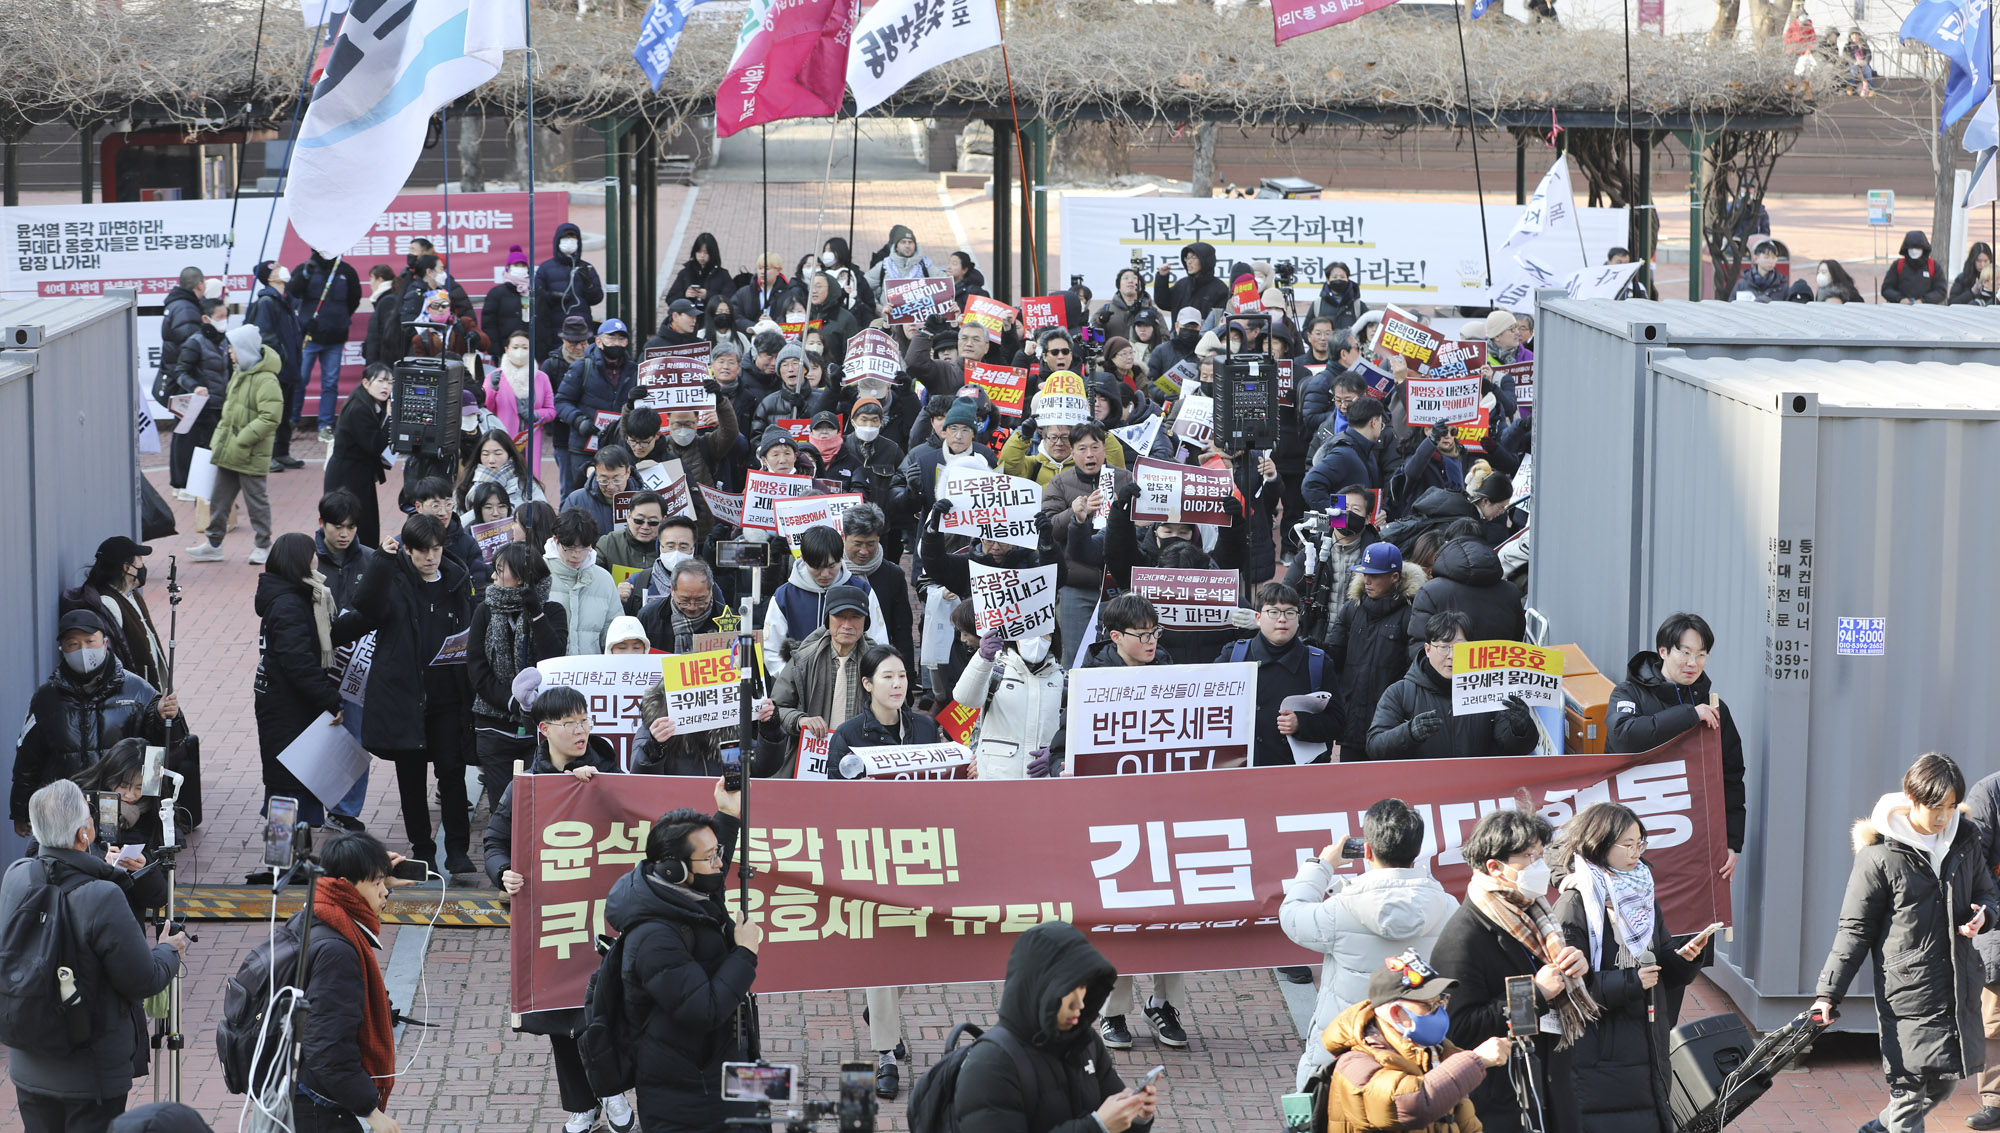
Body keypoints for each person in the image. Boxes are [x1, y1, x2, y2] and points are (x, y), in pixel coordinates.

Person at [1814, 753, 1999, 1133]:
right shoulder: (1879, 855)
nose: (1944, 817)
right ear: (1912, 799)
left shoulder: (1964, 839)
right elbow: (1854, 930)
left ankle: (1875, 1130)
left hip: (1958, 983)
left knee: (1943, 1082)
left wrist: (1985, 915)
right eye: (1936, 808)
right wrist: (1827, 994)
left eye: (1951, 807)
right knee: (1909, 1091)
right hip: (1908, 989)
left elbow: (1986, 891)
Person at [481, 686, 635, 1133]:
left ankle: (612, 1090)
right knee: (561, 1014)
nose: (581, 730)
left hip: (604, 916)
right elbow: (495, 840)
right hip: (554, 919)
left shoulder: (610, 772)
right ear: (545, 729)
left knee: (604, 1011)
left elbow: (637, 821)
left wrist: (597, 788)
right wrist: (503, 872)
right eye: (570, 723)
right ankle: (583, 1104)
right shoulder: (528, 786)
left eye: (585, 720)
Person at [2, 780, 186, 1133]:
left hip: (28, 1058)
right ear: (83, 834)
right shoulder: (102, 895)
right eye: (89, 816)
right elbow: (142, 979)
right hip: (90, 1070)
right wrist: (168, 949)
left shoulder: (17, 876)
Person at [604, 778, 761, 1133]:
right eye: (711, 856)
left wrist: (727, 815)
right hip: (690, 1093)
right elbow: (704, 1009)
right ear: (675, 870)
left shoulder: (687, 894)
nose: (720, 863)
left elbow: (713, 874)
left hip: (725, 1062)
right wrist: (745, 953)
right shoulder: (654, 939)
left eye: (718, 852)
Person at [819, 647, 940, 1097]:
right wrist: (858, 794)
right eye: (887, 676)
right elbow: (831, 799)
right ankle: (886, 1053)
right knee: (882, 953)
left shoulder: (925, 728)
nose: (897, 684)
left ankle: (879, 1011)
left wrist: (965, 772)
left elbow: (943, 782)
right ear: (867, 684)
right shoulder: (849, 735)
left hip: (923, 855)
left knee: (924, 949)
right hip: (871, 858)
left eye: (902, 675)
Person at [1429, 809, 1593, 1133]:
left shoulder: (1533, 913)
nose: (1540, 866)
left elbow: (1559, 986)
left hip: (1551, 1086)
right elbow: (1458, 1029)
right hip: (1504, 1101)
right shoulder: (1465, 937)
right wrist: (1535, 994)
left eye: (1542, 855)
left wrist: (1578, 968)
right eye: (1530, 857)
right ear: (1494, 867)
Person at [1549, 803, 1707, 1133]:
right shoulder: (1574, 903)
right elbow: (1570, 987)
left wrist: (1685, 959)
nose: (1637, 852)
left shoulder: (1641, 891)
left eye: (1640, 843)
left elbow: (1661, 961)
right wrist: (1632, 982)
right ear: (1600, 844)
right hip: (1600, 1052)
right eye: (1628, 844)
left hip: (1647, 1042)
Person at [1281, 798, 1459, 1091]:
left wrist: (1321, 866)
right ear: (1417, 852)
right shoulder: (1448, 906)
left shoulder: (1340, 908)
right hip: (1415, 1050)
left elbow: (1292, 916)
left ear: (1366, 850)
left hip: (1345, 1051)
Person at [340, 513, 476, 876]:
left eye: (436, 549)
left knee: (452, 772)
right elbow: (364, 606)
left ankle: (458, 851)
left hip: (448, 697)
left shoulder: (456, 579)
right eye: (422, 551)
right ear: (408, 550)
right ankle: (423, 850)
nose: (430, 557)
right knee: (411, 779)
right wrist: (381, 561)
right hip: (404, 698)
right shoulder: (393, 579)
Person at [951, 921, 1157, 1133]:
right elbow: (1102, 1125)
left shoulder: (1085, 1041)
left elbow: (1113, 1122)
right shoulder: (990, 1065)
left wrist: (1135, 1117)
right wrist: (1097, 1127)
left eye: (1083, 987)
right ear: (1040, 989)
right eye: (1069, 989)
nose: (1080, 1003)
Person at [276, 830, 409, 1133]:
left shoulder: (315, 910)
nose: (384, 892)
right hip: (317, 1106)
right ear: (347, 886)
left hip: (292, 1085)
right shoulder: (338, 953)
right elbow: (327, 1045)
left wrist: (373, 874)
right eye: (377, 883)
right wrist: (371, 1112)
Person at [1605, 613, 1748, 880]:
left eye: (1701, 655)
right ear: (1663, 652)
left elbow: (1730, 776)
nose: (1693, 663)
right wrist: (1689, 715)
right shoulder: (1628, 693)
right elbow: (1623, 736)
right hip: (1630, 834)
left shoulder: (1715, 708)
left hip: (1690, 841)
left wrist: (1730, 842)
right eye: (1685, 652)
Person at [12, 611, 179, 836]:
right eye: (73, 644)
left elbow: (160, 751)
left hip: (126, 815)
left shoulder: (138, 691)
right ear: (62, 648)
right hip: (67, 815)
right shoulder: (46, 699)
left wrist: (165, 719)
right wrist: (21, 810)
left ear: (105, 642)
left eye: (90, 641)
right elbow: (28, 759)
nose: (83, 650)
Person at [1318, 952, 1507, 1133]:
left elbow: (1465, 1123)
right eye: (1429, 1005)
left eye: (1440, 1002)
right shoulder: (1355, 1063)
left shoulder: (1436, 1052)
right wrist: (1475, 1061)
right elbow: (1413, 1106)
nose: (1439, 1012)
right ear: (1396, 1014)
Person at [251, 534, 345, 828]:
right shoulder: (289, 605)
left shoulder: (289, 598)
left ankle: (291, 853)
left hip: (284, 708)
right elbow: (299, 663)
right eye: (312, 553)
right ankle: (281, 855)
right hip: (288, 711)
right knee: (287, 792)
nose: (316, 559)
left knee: (290, 790)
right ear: (299, 561)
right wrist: (331, 700)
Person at [468, 543, 569, 810]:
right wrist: (513, 701)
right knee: (503, 808)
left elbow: (554, 658)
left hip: (540, 727)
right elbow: (477, 668)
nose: (493, 576)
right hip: (493, 726)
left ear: (522, 578)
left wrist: (537, 614)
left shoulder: (553, 611)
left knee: (538, 808)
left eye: (500, 570)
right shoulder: (485, 610)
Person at [1369, 612, 1537, 761]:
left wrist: (1520, 729)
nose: (1452, 656)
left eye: (1460, 648)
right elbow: (1375, 747)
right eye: (1444, 647)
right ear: (1428, 649)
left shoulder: (1489, 691)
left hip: (1477, 785)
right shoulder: (1400, 693)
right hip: (1421, 785)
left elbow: (1513, 748)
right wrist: (1409, 733)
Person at [186, 326, 283, 564]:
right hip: (230, 451)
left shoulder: (266, 379)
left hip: (250, 452)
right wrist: (220, 442)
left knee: (256, 502)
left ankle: (263, 545)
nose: (229, 352)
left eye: (233, 348)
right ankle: (214, 544)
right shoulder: (240, 372)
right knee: (219, 500)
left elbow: (271, 417)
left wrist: (242, 439)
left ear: (245, 349)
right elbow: (229, 414)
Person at [1218, 583, 1343, 765]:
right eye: (1274, 612)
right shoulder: (1234, 656)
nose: (1282, 619)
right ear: (1258, 618)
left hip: (1297, 773)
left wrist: (1302, 723)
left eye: (1290, 613)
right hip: (1244, 769)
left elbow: (1338, 722)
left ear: (1298, 619)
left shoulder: (1317, 662)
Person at [1323, 543, 1423, 759]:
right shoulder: (1351, 609)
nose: (1367, 580)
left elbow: (1415, 668)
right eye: (1365, 573)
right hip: (1352, 722)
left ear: (1394, 577)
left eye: (1375, 575)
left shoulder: (1411, 614)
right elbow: (1333, 656)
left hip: (1391, 723)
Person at [764, 585, 874, 777]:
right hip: (811, 761)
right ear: (827, 619)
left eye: (855, 617)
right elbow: (776, 708)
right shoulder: (803, 660)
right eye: (839, 616)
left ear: (865, 622)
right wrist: (801, 720)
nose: (847, 625)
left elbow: (896, 711)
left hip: (863, 761)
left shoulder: (878, 663)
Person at [1042, 423, 1130, 658]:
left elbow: (1141, 525)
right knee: (1075, 657)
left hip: (1118, 587)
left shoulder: (1125, 478)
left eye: (1095, 447)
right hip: (1076, 585)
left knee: (1120, 655)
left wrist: (1124, 511)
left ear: (1104, 450)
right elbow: (1048, 528)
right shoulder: (1059, 483)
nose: (1090, 454)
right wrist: (1075, 512)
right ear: (1072, 453)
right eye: (1082, 449)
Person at [761, 526, 891, 676]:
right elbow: (772, 650)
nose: (825, 574)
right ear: (803, 559)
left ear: (841, 557)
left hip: (852, 679)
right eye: (816, 567)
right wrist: (794, 679)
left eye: (831, 566)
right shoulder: (784, 596)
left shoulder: (862, 590)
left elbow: (878, 640)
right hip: (799, 682)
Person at [58, 537, 166, 690]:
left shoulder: (131, 595)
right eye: (140, 560)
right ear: (127, 568)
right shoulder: (108, 603)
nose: (143, 566)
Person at [287, 250, 363, 443]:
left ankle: (325, 425)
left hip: (335, 337)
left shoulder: (346, 271)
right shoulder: (306, 268)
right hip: (309, 336)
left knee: (330, 382)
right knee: (300, 379)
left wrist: (340, 319)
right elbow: (293, 292)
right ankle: (292, 420)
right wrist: (306, 274)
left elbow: (354, 300)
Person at [321, 363, 394, 548]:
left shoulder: (369, 404)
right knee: (352, 523)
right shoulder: (359, 409)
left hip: (358, 473)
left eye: (390, 382)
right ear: (366, 383)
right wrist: (390, 418)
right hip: (346, 477)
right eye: (381, 381)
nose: (386, 387)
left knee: (364, 524)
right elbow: (376, 444)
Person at [1406, 537, 1525, 647]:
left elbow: (1420, 644)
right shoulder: (1511, 591)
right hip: (1498, 662)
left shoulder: (1430, 591)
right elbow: (1517, 640)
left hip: (1447, 662)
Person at [165, 295, 230, 498]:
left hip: (220, 404)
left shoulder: (224, 341)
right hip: (202, 406)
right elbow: (180, 372)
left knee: (214, 448)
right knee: (199, 448)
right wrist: (196, 387)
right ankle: (194, 490)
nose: (224, 321)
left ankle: (208, 490)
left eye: (225, 316)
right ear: (205, 318)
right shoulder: (195, 343)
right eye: (219, 317)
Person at [555, 319, 635, 484]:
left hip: (619, 447)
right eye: (611, 338)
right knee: (582, 491)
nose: (616, 343)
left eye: (621, 338)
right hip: (584, 445)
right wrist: (579, 421)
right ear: (598, 341)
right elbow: (562, 401)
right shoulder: (581, 367)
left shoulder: (634, 370)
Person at [245, 260, 306, 470]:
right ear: (270, 278)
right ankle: (266, 455)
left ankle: (282, 452)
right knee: (271, 414)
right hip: (277, 368)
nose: (283, 269)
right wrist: (281, 357)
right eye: (277, 268)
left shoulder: (286, 300)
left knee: (285, 414)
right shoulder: (267, 302)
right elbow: (265, 336)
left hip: (290, 368)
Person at [546, 508, 622, 656]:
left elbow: (613, 632)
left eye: (584, 548)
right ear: (556, 540)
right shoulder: (539, 574)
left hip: (591, 668)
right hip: (550, 668)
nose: (577, 555)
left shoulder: (604, 579)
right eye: (569, 548)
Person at [485, 328, 558, 478]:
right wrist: (492, 389)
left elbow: (551, 410)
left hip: (530, 440)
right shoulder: (495, 376)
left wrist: (536, 414)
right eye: (515, 347)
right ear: (507, 350)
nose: (520, 351)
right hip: (503, 440)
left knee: (530, 481)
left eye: (525, 348)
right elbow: (486, 408)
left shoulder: (541, 377)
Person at [1303, 397, 1389, 512]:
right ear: (1373, 422)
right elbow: (1310, 484)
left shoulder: (1365, 450)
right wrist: (1338, 515)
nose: (1381, 428)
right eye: (1381, 424)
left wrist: (1381, 510)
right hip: (1346, 524)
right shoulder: (1343, 454)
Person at [533, 222, 604, 359]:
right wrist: (552, 296)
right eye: (565, 237)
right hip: (555, 328)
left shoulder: (587, 268)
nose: (569, 241)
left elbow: (597, 297)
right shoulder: (545, 268)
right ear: (558, 241)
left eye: (573, 237)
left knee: (582, 361)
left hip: (582, 329)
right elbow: (537, 295)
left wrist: (589, 285)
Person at [639, 558, 731, 654]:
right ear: (672, 590)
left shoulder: (727, 619)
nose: (692, 607)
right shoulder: (649, 617)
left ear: (711, 590)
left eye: (700, 601)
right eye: (684, 601)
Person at [596, 490, 665, 613]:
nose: (645, 527)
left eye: (653, 522)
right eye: (639, 520)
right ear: (628, 517)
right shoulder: (609, 543)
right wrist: (613, 594)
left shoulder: (671, 548)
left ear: (664, 520)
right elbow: (592, 584)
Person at [562, 444, 633, 536]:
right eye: (604, 480)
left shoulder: (644, 500)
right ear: (596, 474)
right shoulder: (576, 500)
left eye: (617, 480)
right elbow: (564, 537)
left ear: (628, 473)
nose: (611, 486)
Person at [479, 247, 532, 368]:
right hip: (504, 351)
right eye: (516, 265)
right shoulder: (497, 293)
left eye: (523, 265)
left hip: (531, 350)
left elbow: (544, 322)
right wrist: (495, 349)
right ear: (508, 268)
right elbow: (489, 324)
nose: (520, 268)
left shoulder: (534, 291)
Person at [1152, 240, 1229, 317]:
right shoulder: (1181, 285)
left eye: (1193, 257)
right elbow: (1163, 303)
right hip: (1179, 325)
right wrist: (1162, 277)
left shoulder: (1220, 289)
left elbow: (1219, 319)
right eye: (1187, 258)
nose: (1189, 262)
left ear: (1206, 260)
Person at [1883, 230, 1947, 305]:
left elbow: (1941, 291)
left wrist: (1923, 301)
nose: (1914, 251)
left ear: (1923, 248)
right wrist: (1900, 299)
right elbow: (1886, 289)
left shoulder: (1933, 266)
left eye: (1917, 248)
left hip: (1926, 309)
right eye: (1911, 248)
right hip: (1901, 308)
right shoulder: (1898, 265)